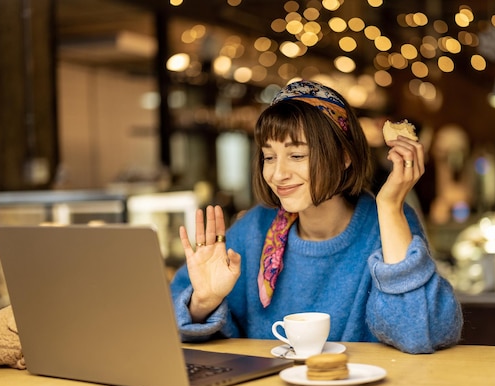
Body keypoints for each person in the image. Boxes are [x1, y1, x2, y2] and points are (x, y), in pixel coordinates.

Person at [170, 80, 463, 354]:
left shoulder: (388, 225)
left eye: (297, 156)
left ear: (343, 156)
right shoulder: (254, 230)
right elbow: (168, 316)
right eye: (269, 157)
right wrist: (204, 302)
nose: (277, 174)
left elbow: (419, 332)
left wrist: (389, 207)